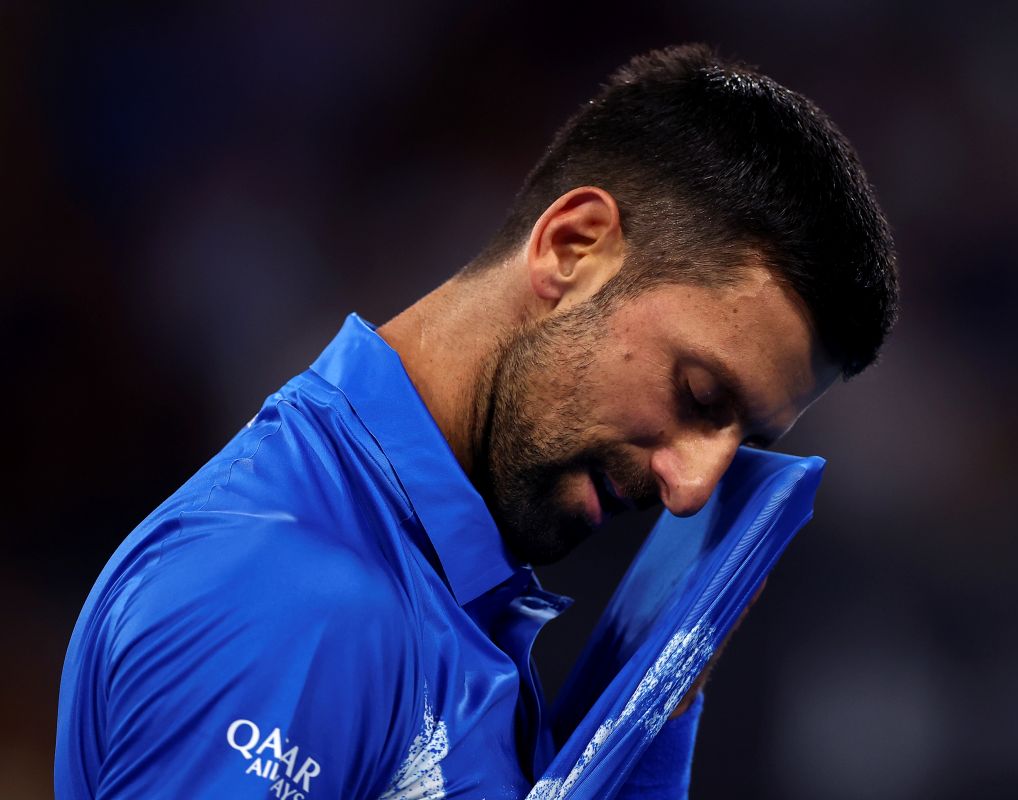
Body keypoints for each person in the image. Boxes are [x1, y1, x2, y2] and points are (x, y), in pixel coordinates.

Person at [55, 43, 898, 799]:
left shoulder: (444, 604)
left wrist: (654, 722)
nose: (691, 490)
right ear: (572, 246)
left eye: (743, 442)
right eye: (700, 397)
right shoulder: (295, 599)